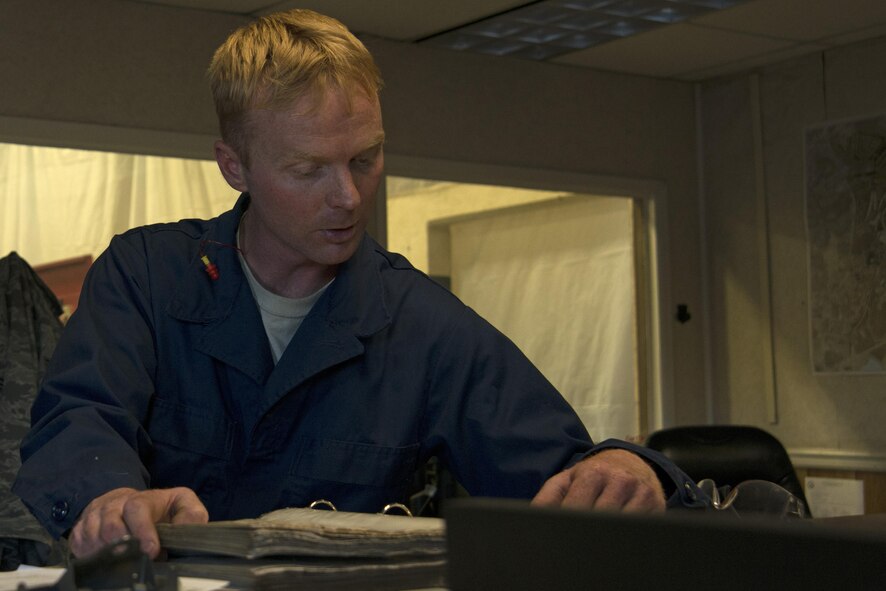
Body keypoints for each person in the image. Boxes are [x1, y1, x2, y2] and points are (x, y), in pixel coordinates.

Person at [13, 9, 707, 561]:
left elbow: (568, 480)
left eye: (366, 159)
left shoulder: (423, 325)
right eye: (308, 170)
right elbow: (79, 418)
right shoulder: (145, 275)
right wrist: (108, 499)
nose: (347, 196)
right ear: (234, 166)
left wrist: (632, 470)